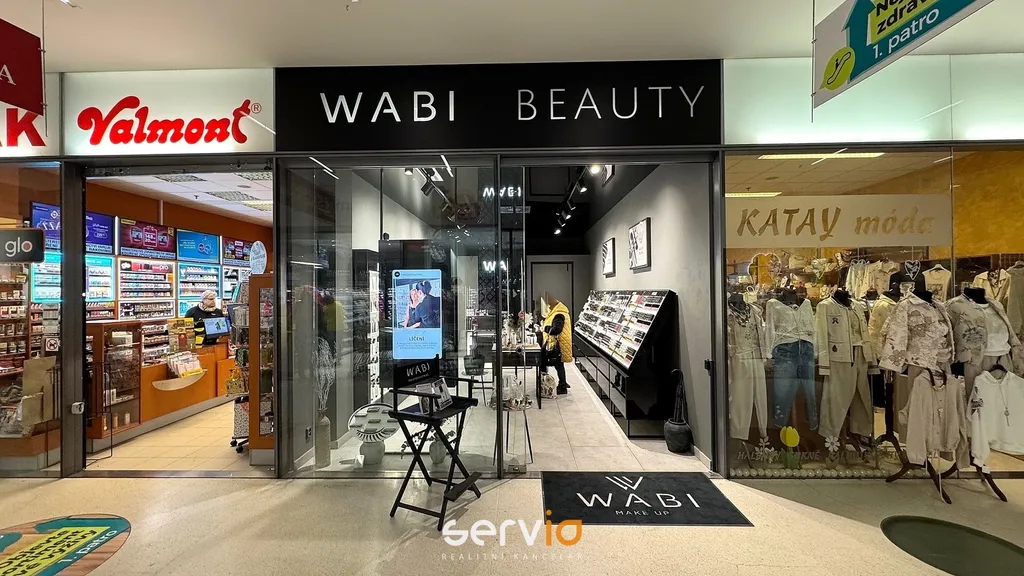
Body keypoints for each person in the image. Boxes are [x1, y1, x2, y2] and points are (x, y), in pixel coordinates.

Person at [540, 292, 573, 395]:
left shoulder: (559, 314)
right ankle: (562, 384)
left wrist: (545, 328)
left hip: (556, 345)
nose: (548, 305)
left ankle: (548, 384)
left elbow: (556, 330)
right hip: (556, 344)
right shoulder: (557, 312)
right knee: (559, 365)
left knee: (547, 363)